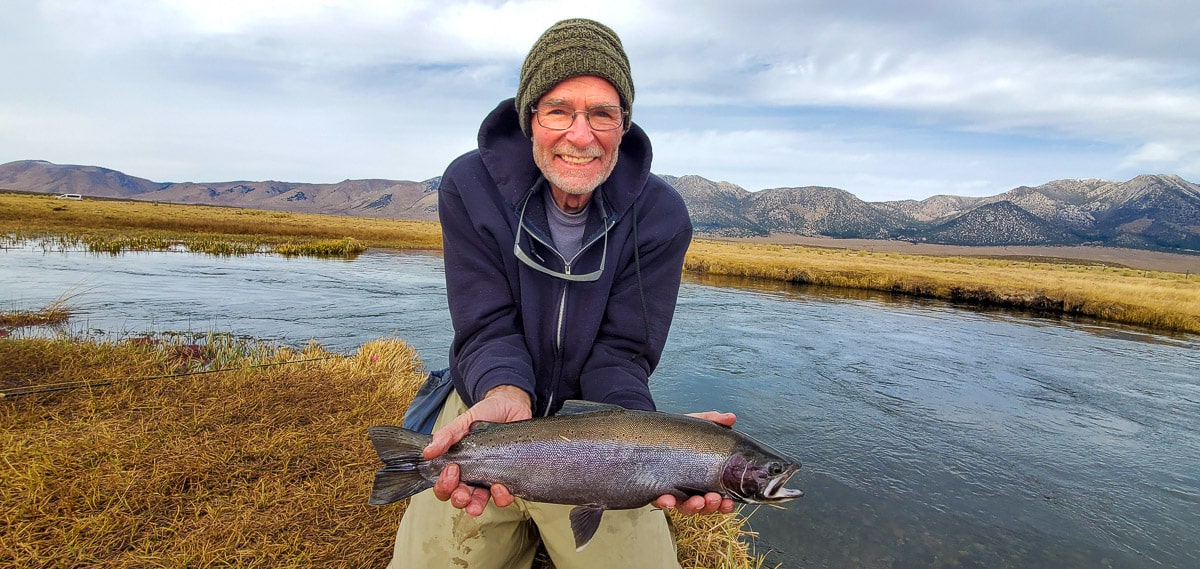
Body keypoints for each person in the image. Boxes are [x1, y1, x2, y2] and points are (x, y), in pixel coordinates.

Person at [387, 18, 736, 568]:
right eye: (559, 110)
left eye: (603, 113)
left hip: (602, 431)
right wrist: (504, 390)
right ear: (529, 118)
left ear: (624, 125)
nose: (581, 135)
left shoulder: (662, 215)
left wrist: (656, 443)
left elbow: (623, 352)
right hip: (490, 408)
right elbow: (486, 324)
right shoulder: (469, 185)